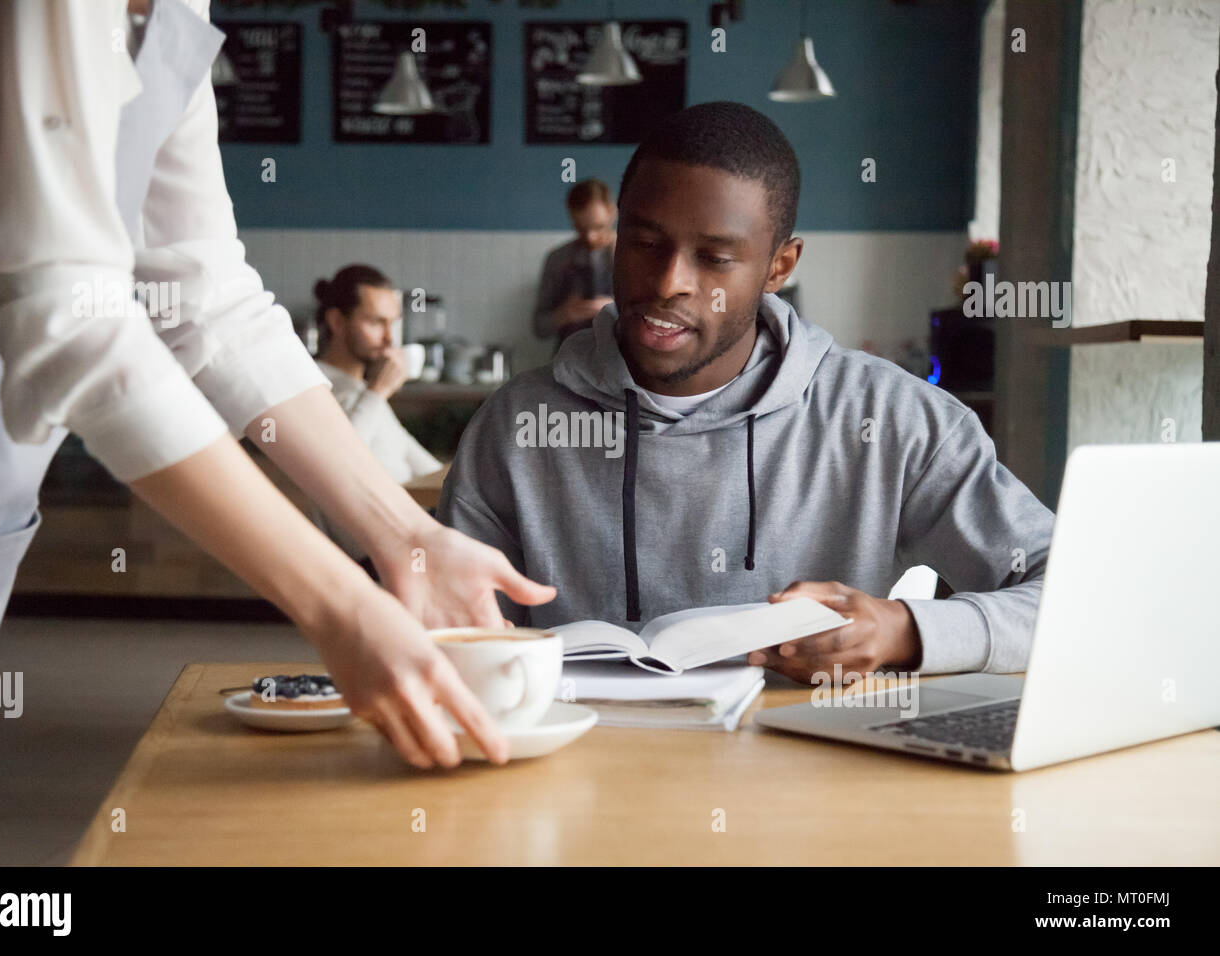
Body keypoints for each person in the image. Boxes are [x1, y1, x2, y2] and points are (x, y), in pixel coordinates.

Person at [0, 0, 553, 865]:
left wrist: (405, 537)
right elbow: (67, 312)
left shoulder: (178, 12)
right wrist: (341, 604)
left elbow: (206, 299)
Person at [439, 101, 1056, 683]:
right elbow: (451, 634)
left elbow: (1073, 591)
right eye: (646, 244)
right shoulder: (518, 425)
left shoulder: (891, 419)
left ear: (779, 267)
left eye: (714, 258)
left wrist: (904, 630)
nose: (669, 282)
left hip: (811, 783)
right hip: (576, 779)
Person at [309, 265, 442, 559]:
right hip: (377, 555)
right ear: (337, 321)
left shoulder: (362, 392)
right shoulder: (314, 386)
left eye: (392, 324)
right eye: (376, 323)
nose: (389, 339)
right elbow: (335, 460)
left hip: (415, 530)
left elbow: (425, 466)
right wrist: (378, 391)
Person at [531, 179, 617, 348]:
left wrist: (613, 310)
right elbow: (538, 327)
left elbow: (653, 317)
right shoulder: (557, 259)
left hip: (621, 362)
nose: (590, 236)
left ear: (612, 212)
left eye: (598, 227)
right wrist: (564, 314)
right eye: (581, 228)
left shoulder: (633, 255)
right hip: (568, 363)